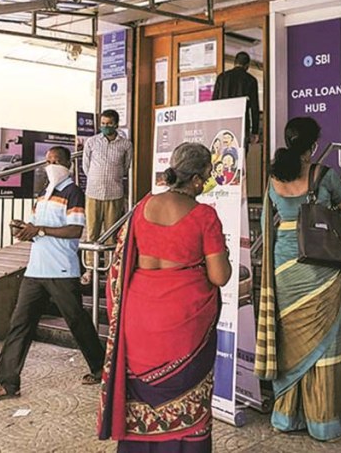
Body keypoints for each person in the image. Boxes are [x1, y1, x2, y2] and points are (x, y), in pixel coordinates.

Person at [98, 142, 231, 451]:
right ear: (197, 179)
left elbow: (122, 264)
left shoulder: (142, 207)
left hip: (140, 315)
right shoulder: (203, 216)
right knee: (188, 400)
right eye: (208, 174)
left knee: (140, 394)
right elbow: (220, 276)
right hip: (184, 319)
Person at [255, 117, 341, 441]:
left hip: (284, 264)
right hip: (320, 262)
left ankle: (287, 415)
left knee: (291, 333)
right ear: (313, 145)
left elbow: (266, 221)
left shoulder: (273, 178)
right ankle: (323, 419)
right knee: (328, 338)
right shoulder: (325, 176)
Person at [0, 146, 104, 403]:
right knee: (19, 324)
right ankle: (7, 382)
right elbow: (36, 228)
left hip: (61, 270)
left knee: (77, 322)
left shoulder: (73, 192)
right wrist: (24, 229)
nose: (51, 165)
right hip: (35, 269)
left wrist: (40, 230)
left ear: (68, 165)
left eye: (56, 161)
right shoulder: (43, 194)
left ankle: (100, 367)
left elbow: (74, 230)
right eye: (48, 161)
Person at [81, 109, 132, 285]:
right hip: (93, 193)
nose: (105, 126)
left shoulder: (125, 144)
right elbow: (86, 166)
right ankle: (90, 270)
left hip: (114, 193)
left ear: (116, 124)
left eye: (109, 123)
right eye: (103, 123)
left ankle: (111, 270)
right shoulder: (92, 142)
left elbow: (125, 167)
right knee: (92, 231)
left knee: (111, 233)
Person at [212, 52, 260, 147]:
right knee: (240, 152)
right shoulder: (251, 80)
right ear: (247, 65)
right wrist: (255, 131)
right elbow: (254, 107)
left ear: (235, 63)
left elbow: (214, 103)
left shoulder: (222, 78)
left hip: (223, 123)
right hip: (242, 124)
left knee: (222, 153)